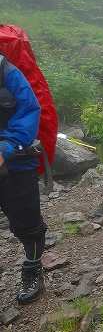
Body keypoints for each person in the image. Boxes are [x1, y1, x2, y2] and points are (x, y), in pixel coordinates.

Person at [0, 51, 47, 304]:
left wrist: (5, 147)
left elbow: (29, 110)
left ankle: (32, 268)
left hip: (17, 161)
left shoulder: (7, 72)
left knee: (27, 223)